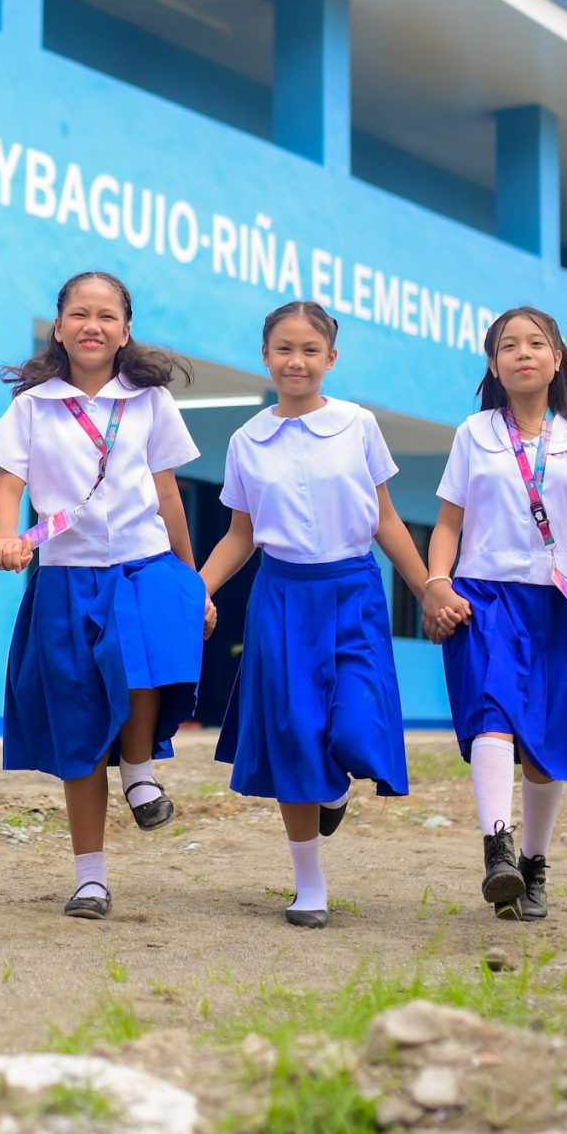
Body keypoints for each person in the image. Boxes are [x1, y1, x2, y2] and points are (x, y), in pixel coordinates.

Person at [198, 301, 431, 928]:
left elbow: (385, 518)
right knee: (297, 733)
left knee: (356, 724)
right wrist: (200, 588)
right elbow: (240, 535)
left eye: (309, 350)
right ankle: (309, 884)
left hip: (353, 589)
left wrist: (431, 585)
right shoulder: (248, 440)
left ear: (331, 359)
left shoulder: (358, 425)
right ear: (266, 356)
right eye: (283, 349)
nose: (295, 361)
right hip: (281, 597)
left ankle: (335, 786)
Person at [0, 271, 206, 921]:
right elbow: (6, 487)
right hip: (65, 574)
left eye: (107, 315)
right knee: (78, 728)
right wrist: (7, 538)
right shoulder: (34, 405)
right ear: (58, 326)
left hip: (140, 563)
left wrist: (190, 577)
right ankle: (90, 878)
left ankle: (139, 766)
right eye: (79, 313)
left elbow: (167, 494)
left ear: (125, 329)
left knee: (143, 659)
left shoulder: (149, 401)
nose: (92, 325)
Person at [425, 304, 567, 921]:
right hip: (487, 596)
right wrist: (439, 581)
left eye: (536, 343)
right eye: (508, 345)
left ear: (556, 359)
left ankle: (534, 863)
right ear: (494, 364)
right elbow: (449, 523)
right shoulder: (475, 434)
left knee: (546, 746)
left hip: (558, 601)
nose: (523, 352)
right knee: (492, 712)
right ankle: (497, 847)